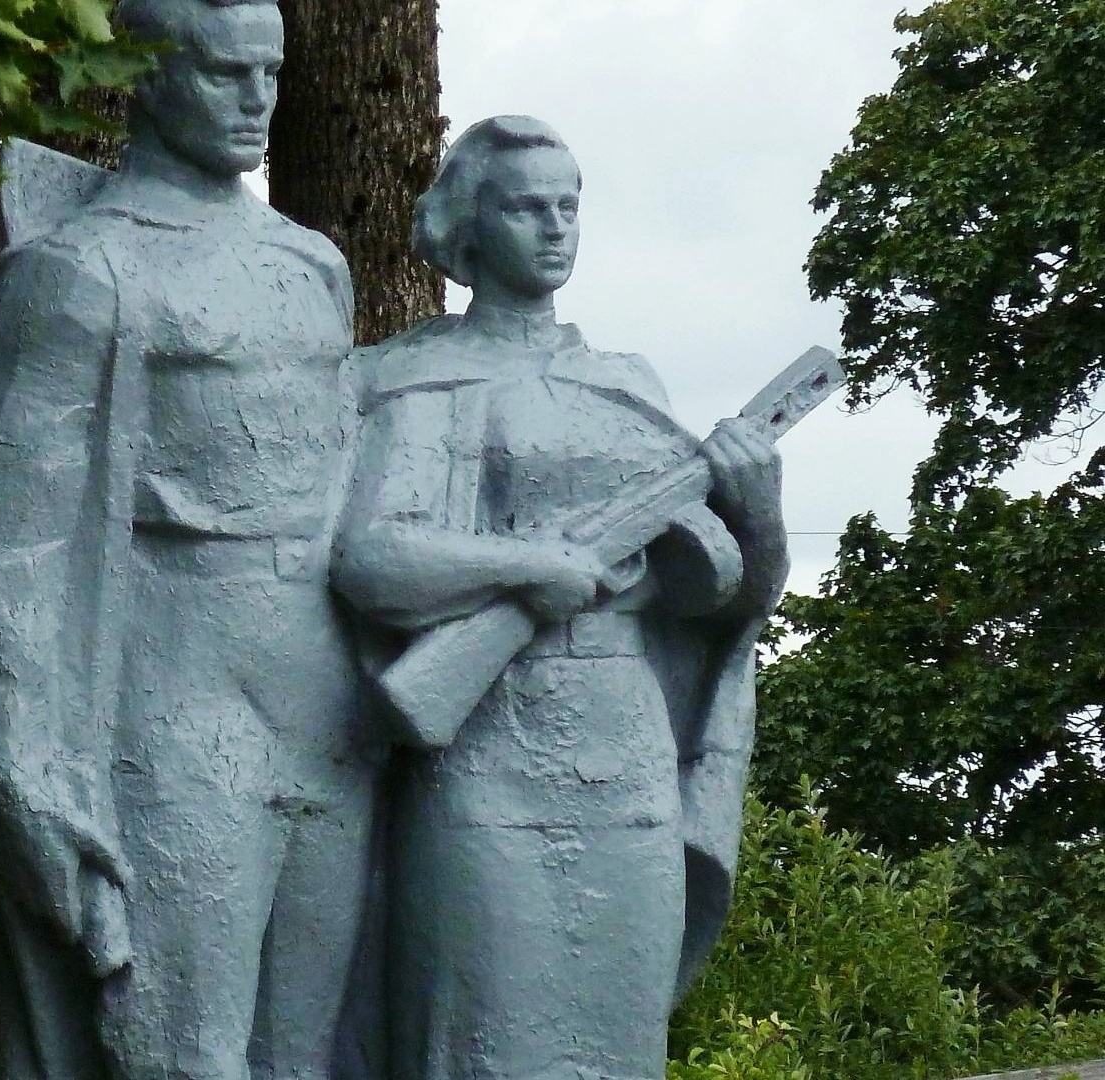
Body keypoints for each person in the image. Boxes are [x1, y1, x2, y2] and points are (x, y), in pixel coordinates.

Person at [0, 1, 376, 1077]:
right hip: (172, 703)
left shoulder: (313, 267)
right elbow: (9, 552)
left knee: (315, 1054)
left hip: (327, 706)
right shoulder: (80, 273)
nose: (256, 101)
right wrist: (28, 769)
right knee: (180, 1055)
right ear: (145, 75)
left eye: (270, 74)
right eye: (226, 73)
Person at [330, 116, 790, 1080]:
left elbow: (721, 602)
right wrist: (529, 570)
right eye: (526, 206)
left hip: (625, 752)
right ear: (468, 223)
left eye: (569, 206)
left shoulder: (628, 385)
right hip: (489, 748)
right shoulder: (416, 377)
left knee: (619, 1041)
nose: (554, 227)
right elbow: (374, 559)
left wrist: (761, 516)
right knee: (483, 1036)